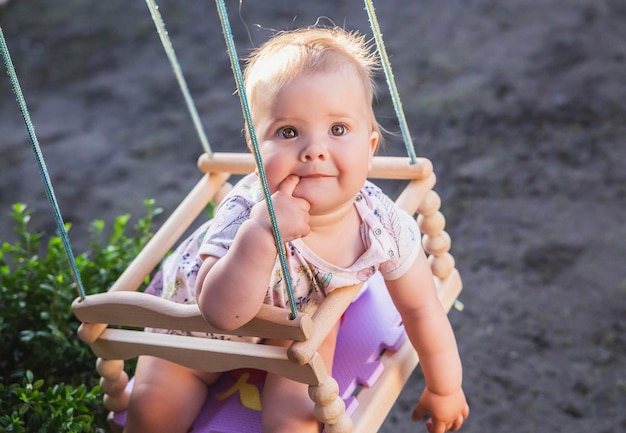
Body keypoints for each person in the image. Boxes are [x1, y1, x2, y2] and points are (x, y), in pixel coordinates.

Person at [124, 26, 469, 433]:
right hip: (193, 330)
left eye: (337, 129)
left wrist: (446, 387)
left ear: (370, 147)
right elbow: (221, 314)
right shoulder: (245, 210)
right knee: (153, 413)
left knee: (296, 418)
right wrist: (263, 233)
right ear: (256, 152)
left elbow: (420, 308)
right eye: (288, 132)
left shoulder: (383, 225)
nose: (314, 149)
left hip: (295, 327)